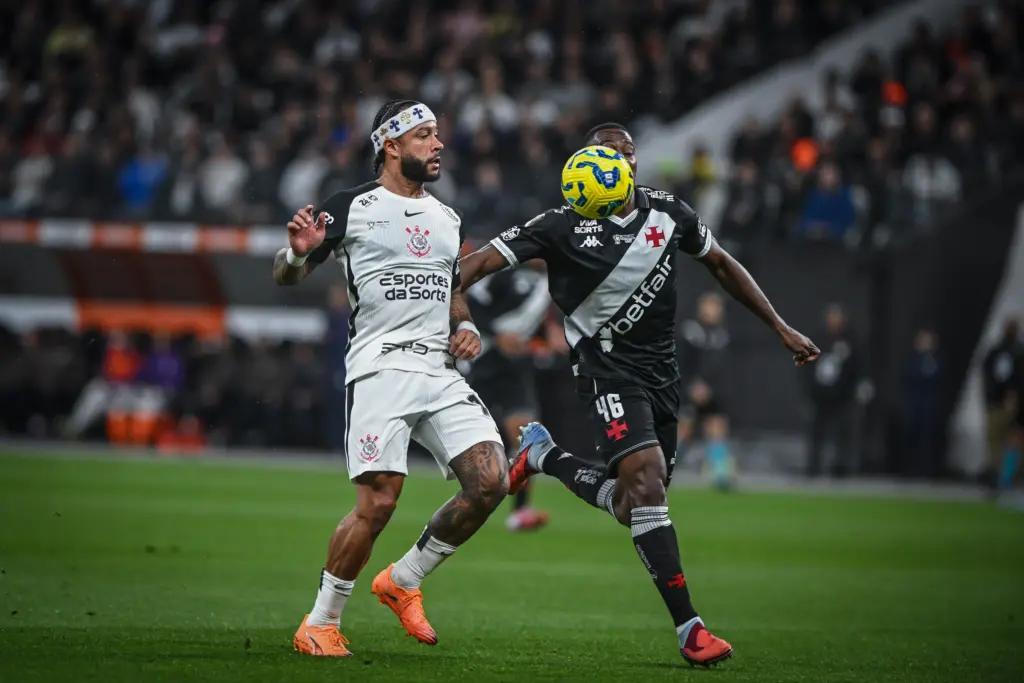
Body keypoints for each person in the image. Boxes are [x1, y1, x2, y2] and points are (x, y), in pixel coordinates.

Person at [458, 122, 819, 667]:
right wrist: (432, 296)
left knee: (633, 506)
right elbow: (477, 264)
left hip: (662, 374)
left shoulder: (668, 212)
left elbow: (721, 263)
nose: (620, 158)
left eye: (626, 151)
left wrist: (780, 326)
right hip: (607, 373)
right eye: (608, 152)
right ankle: (691, 629)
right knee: (649, 487)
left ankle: (543, 455)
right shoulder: (558, 225)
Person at [273, 99, 508, 657]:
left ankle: (402, 579)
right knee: (378, 503)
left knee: (492, 480)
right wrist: (294, 254)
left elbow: (449, 289)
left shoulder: (448, 219)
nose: (438, 144)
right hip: (381, 367)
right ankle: (320, 623)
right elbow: (288, 274)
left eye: (437, 135)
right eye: (425, 135)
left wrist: (466, 324)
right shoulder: (351, 207)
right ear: (391, 145)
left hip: (438, 368)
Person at [462, 251, 552, 531]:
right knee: (475, 438)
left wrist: (540, 342)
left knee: (526, 434)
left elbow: (533, 326)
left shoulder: (548, 284)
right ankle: (470, 502)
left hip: (517, 366)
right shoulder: (503, 273)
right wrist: (497, 334)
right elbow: (470, 300)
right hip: (484, 361)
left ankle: (521, 510)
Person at [981, 319, 1021, 491]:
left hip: (1011, 406)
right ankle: (999, 477)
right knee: (997, 441)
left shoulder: (1018, 352)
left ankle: (1006, 477)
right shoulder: (997, 351)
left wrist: (1013, 397)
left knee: (1010, 440)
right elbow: (987, 374)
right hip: (997, 403)